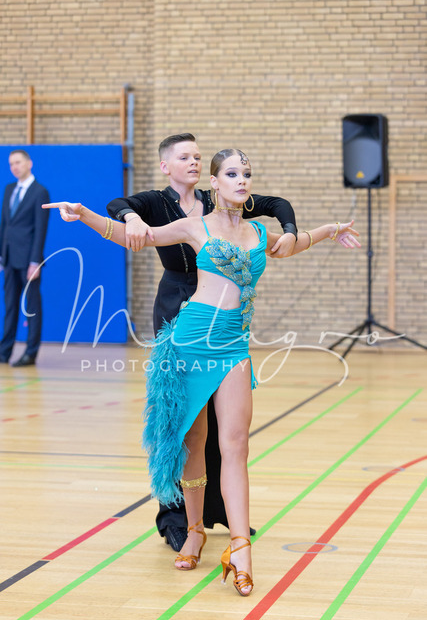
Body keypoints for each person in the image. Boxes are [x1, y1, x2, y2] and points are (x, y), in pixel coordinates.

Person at [43, 147, 360, 596]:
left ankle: (240, 546)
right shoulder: (196, 226)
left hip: (234, 347)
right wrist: (86, 215)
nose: (242, 180)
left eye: (246, 173)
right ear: (215, 182)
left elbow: (295, 243)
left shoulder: (258, 231)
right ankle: (194, 531)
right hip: (189, 343)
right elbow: (135, 236)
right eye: (232, 173)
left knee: (236, 446)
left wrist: (331, 230)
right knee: (194, 442)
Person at [106, 133, 299, 552]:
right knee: (181, 424)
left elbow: (276, 204)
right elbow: (119, 208)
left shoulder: (219, 200)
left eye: (197, 155)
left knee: (224, 433)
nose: (193, 161)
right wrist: (131, 218)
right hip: (179, 311)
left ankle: (219, 512)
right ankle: (177, 521)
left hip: (223, 320)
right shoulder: (158, 203)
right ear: (167, 166)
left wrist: (293, 230)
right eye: (185, 157)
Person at [0, 150, 50, 367]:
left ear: (29, 163)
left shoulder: (40, 192)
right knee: (10, 306)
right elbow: (5, 225)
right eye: (11, 164)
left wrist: (35, 262)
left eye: (18, 162)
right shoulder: (9, 189)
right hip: (9, 258)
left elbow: (40, 229)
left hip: (29, 260)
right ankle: (4, 352)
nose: (14, 167)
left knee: (31, 308)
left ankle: (31, 352)